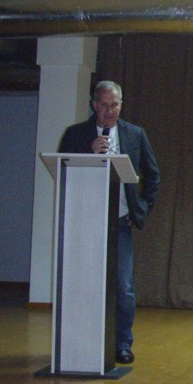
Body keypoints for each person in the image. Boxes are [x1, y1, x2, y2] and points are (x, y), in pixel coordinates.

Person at [58, 80, 160, 365]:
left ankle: (122, 344)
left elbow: (152, 175)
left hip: (120, 222)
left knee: (124, 286)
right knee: (83, 284)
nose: (110, 111)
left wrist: (141, 210)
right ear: (94, 105)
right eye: (104, 105)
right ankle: (82, 342)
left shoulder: (135, 134)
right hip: (85, 221)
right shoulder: (76, 134)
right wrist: (87, 151)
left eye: (114, 105)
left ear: (121, 105)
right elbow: (64, 169)